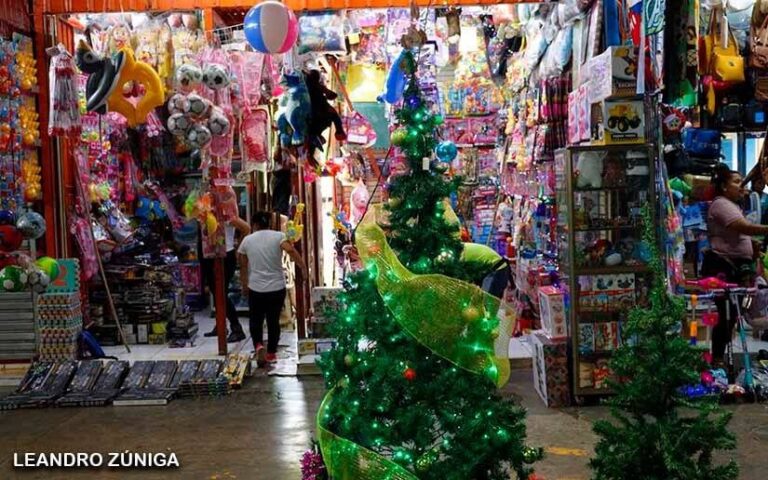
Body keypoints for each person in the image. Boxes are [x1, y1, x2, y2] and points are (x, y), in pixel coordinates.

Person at [701, 164, 768, 361]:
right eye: (737, 182)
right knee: (725, 317)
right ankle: (718, 361)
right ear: (723, 186)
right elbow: (744, 227)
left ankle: (721, 360)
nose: (742, 186)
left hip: (734, 268)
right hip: (723, 269)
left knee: (730, 317)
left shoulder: (733, 206)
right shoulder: (721, 204)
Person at [238, 211, 307, 364]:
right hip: (276, 287)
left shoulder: (247, 240)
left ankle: (258, 345)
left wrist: (244, 284)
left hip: (256, 287)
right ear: (269, 223)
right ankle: (271, 353)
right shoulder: (278, 236)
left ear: (254, 224)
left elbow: (242, 265)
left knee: (255, 320)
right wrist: (302, 267)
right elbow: (290, 250)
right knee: (273, 320)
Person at [201, 216, 251, 342]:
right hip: (211, 254)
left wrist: (238, 249)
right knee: (216, 291)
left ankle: (236, 328)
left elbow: (246, 228)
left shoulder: (225, 213)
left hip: (225, 255)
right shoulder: (206, 212)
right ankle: (220, 325)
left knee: (221, 293)